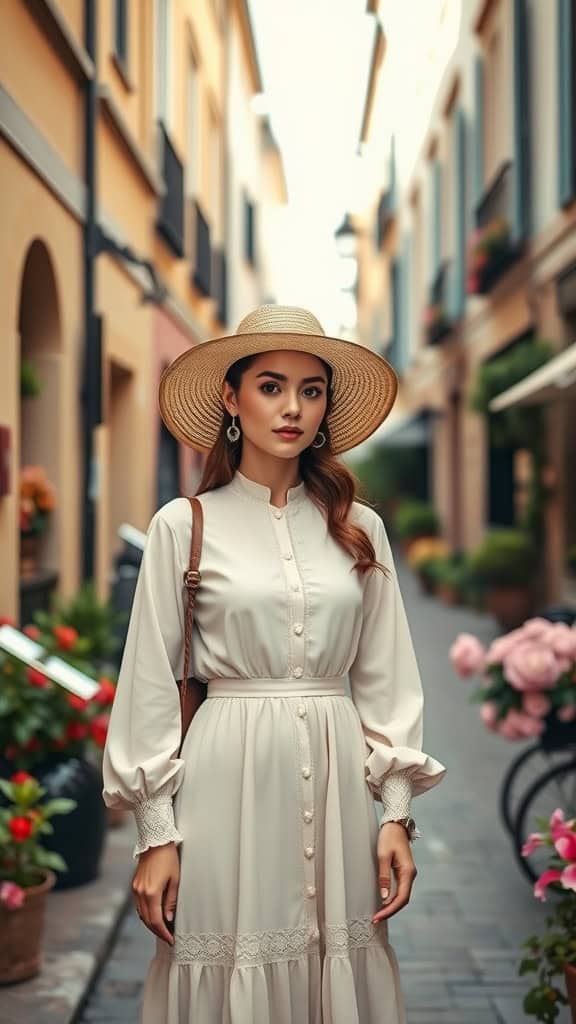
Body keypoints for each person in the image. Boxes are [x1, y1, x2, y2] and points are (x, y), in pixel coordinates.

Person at [102, 304, 447, 1024]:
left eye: (311, 389)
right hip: (224, 782)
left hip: (341, 783)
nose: (293, 407)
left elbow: (388, 678)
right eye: (270, 385)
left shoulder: (361, 531)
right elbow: (146, 692)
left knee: (339, 965)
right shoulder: (182, 525)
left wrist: (397, 814)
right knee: (230, 963)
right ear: (231, 398)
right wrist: (155, 835)